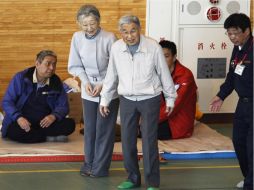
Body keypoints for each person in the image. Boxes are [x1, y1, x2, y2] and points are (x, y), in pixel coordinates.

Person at [100, 15, 176, 190]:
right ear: (120, 33)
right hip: (126, 98)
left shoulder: (153, 47)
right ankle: (133, 178)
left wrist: (170, 97)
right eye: (124, 32)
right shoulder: (116, 48)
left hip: (150, 98)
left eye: (133, 30)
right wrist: (105, 98)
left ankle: (152, 182)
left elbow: (164, 73)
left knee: (149, 141)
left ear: (139, 29)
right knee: (127, 141)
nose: (129, 35)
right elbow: (111, 75)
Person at [68, 4, 119, 177]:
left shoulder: (109, 37)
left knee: (104, 129)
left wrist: (103, 84)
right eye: (85, 25)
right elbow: (75, 64)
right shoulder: (77, 37)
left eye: (92, 23)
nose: (89, 28)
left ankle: (100, 168)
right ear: (78, 23)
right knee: (90, 129)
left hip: (108, 88)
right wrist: (85, 81)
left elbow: (116, 66)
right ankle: (88, 164)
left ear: (98, 21)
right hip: (88, 88)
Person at [210, 13, 253, 190]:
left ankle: (251, 184)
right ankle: (249, 177)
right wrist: (221, 95)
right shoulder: (237, 49)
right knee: (239, 142)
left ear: (247, 30)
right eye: (229, 33)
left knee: (252, 147)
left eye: (235, 33)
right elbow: (232, 75)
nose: (232, 37)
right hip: (242, 104)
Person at [1, 50, 75, 143]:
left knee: (70, 124)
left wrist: (53, 116)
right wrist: (18, 118)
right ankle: (47, 137)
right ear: (37, 64)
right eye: (48, 64)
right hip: (24, 121)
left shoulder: (56, 81)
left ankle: (36, 135)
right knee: (14, 131)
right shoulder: (21, 77)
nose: (52, 68)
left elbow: (64, 106)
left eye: (54, 64)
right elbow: (7, 102)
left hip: (45, 123)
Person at [157, 40, 197, 140]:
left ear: (174, 57)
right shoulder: (156, 72)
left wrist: (149, 119)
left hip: (178, 121)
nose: (162, 60)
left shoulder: (185, 75)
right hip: (161, 115)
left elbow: (175, 105)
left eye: (166, 56)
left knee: (149, 131)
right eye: (159, 57)